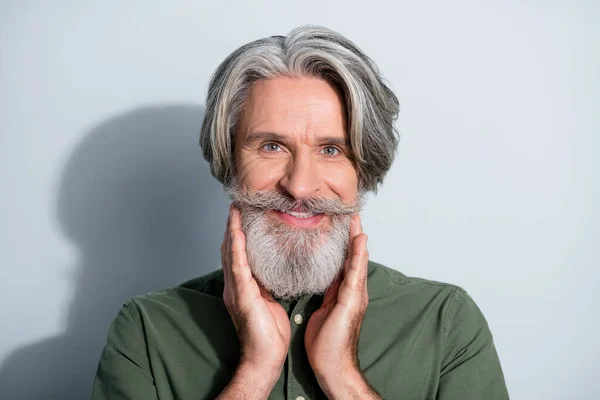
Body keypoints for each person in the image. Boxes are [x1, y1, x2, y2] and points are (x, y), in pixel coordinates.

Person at [92, 25, 509, 399]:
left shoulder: (445, 321)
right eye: (271, 146)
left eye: (331, 150)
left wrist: (342, 375)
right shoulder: (147, 330)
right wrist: (255, 373)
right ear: (230, 162)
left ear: (363, 170)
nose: (300, 185)